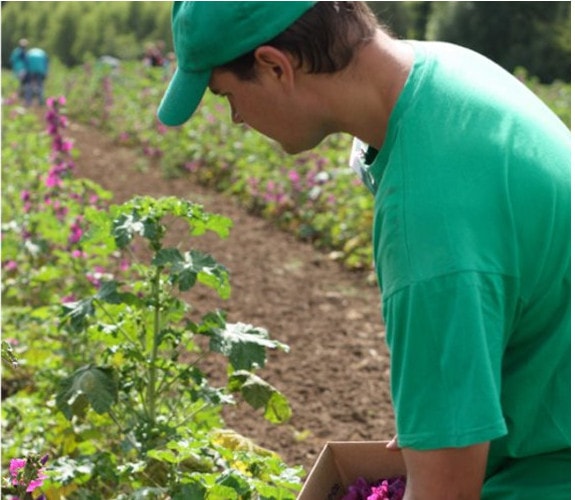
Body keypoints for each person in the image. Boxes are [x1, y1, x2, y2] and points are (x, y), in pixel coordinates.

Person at [157, 2, 570, 498]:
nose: (237, 119)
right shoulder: (445, 71)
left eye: (227, 96)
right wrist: (443, 412)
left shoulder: (429, 219)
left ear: (274, 66)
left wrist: (444, 444)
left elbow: (446, 492)